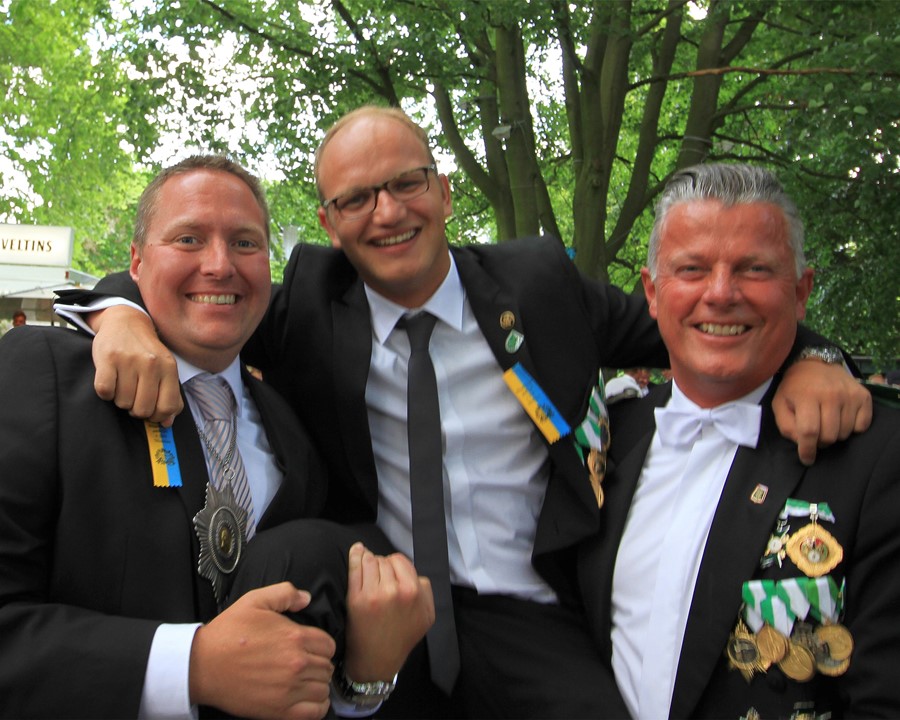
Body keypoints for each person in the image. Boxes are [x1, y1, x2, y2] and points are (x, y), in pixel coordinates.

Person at [57, 107, 871, 718]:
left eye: (407, 183)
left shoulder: (539, 285)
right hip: (381, 602)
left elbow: (701, 317)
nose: (388, 211)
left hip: (529, 607)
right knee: (299, 566)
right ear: (331, 223)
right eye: (358, 198)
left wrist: (817, 356)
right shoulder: (304, 299)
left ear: (443, 192)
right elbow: (188, 287)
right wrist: (120, 315)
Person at [0, 155, 433, 719]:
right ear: (134, 261)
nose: (220, 265)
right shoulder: (45, 375)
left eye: (246, 243)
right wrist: (191, 665)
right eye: (188, 239)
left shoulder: (300, 440)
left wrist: (364, 681)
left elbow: (301, 663)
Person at [577, 164, 900, 719]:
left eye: (754, 269)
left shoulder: (877, 457)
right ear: (653, 293)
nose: (721, 293)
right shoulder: (605, 438)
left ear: (800, 293)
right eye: (692, 269)